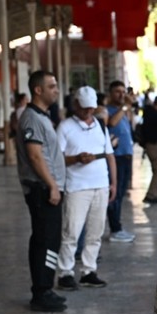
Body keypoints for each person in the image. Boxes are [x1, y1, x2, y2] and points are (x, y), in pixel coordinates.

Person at [16, 70, 67, 312]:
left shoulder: (41, 116)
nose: (56, 90)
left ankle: (45, 286)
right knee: (45, 239)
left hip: (47, 187)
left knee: (47, 238)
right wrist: (53, 185)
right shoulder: (32, 118)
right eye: (52, 86)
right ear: (38, 90)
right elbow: (35, 156)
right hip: (42, 189)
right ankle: (42, 291)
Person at [55, 86, 115, 291]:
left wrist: (112, 183)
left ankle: (89, 270)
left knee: (95, 232)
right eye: (84, 108)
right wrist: (77, 159)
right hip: (76, 187)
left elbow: (109, 155)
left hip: (101, 185)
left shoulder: (100, 125)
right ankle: (65, 272)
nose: (88, 112)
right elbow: (57, 159)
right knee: (71, 231)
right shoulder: (65, 127)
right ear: (75, 105)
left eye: (91, 108)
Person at [104, 80, 136, 242]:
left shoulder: (122, 110)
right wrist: (124, 107)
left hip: (126, 155)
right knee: (114, 193)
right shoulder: (107, 111)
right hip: (115, 156)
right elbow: (112, 123)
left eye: (123, 92)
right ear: (110, 94)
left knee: (121, 193)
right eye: (117, 91)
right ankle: (115, 229)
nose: (121, 95)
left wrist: (127, 108)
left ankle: (117, 226)